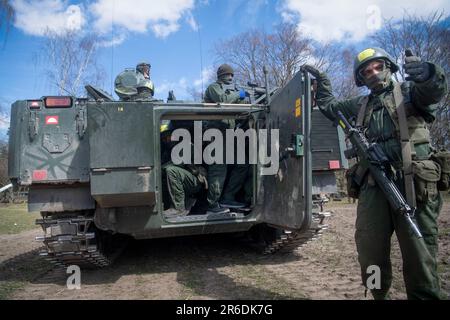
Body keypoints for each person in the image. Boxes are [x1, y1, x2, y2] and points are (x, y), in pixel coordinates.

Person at [303, 47, 448, 300]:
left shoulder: (410, 93)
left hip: (413, 185)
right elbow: (329, 107)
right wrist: (323, 82)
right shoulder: (360, 104)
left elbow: (433, 91)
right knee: (370, 252)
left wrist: (428, 74)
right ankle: (376, 295)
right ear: (361, 78)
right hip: (374, 186)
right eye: (366, 71)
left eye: (378, 66)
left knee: (419, 253)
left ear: (389, 67)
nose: (373, 73)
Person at [203, 64, 250, 214]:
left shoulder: (232, 91)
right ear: (222, 76)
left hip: (229, 134)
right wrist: (240, 94)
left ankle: (228, 197)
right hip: (215, 133)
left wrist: (246, 97)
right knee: (219, 169)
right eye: (228, 75)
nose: (230, 78)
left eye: (231, 76)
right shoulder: (213, 88)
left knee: (242, 164)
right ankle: (212, 204)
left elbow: (242, 107)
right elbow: (223, 99)